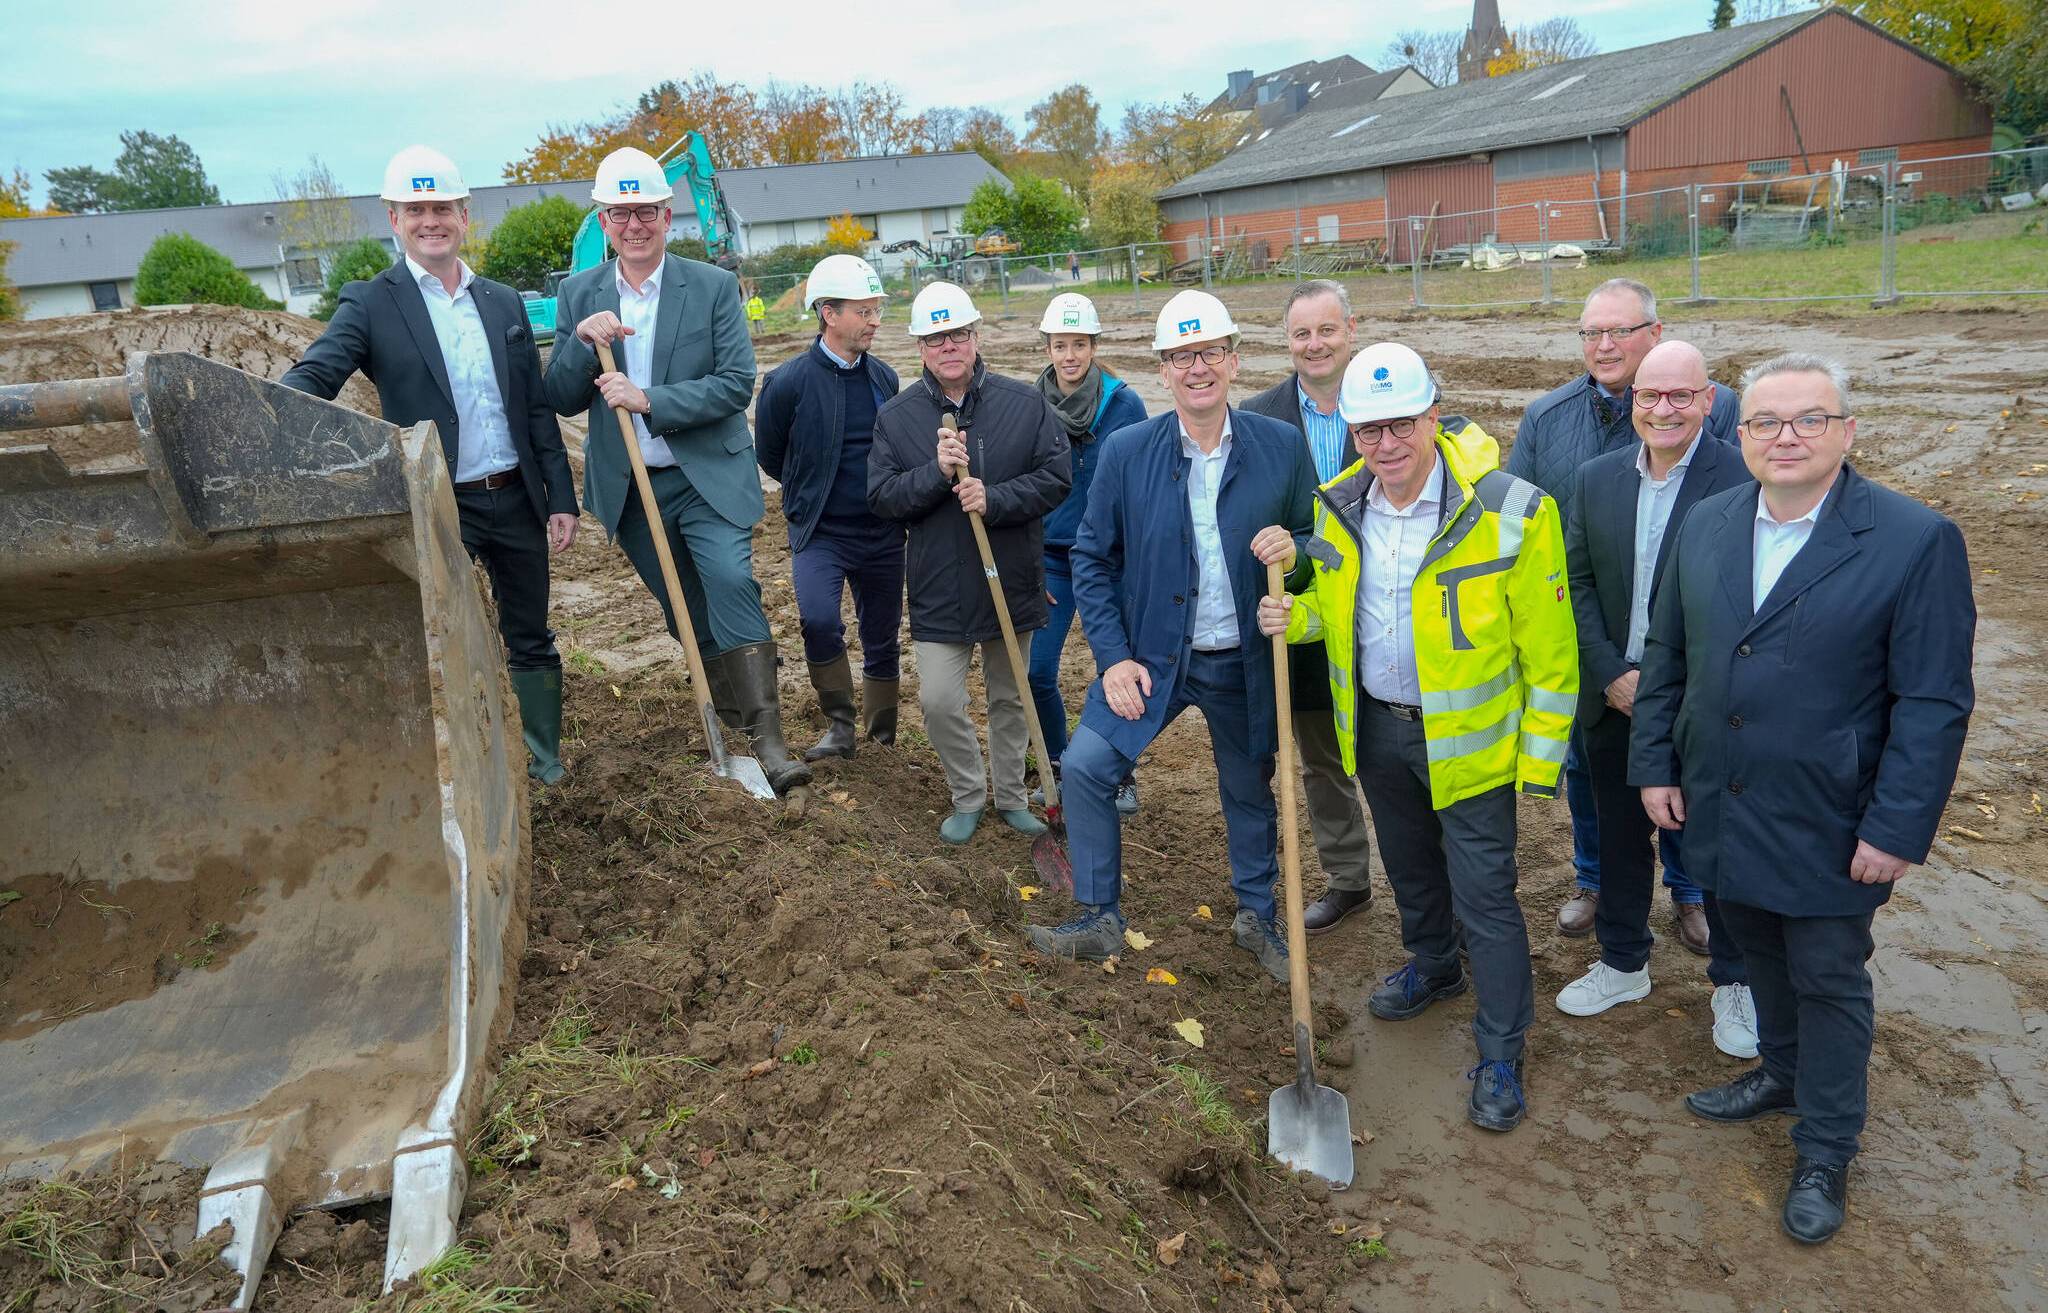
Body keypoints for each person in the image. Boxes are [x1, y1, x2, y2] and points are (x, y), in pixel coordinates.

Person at [1632, 353, 1974, 1244]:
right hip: (1719, 799)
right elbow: (1667, 653)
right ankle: (1779, 1072)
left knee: (1826, 975)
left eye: (1809, 418)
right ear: (1738, 433)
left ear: (1846, 431)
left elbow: (1934, 702)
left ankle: (1825, 1145)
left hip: (1833, 818)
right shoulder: (1708, 521)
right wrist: (1656, 764)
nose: (1786, 436)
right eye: (1766, 421)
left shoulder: (1913, 539)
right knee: (1754, 949)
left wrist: (1896, 827)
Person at [1262, 342, 1577, 1132]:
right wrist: (1294, 616)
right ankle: (1436, 965)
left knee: (1487, 897)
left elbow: (1552, 653)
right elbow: (1337, 610)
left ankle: (1501, 1049)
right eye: (1370, 429)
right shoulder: (1339, 505)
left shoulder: (1513, 510)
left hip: (1471, 744)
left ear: (1434, 415)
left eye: (1402, 423)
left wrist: (1539, 763)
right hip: (1376, 728)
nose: (1387, 444)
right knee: (1408, 867)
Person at [1025, 290, 1314, 986]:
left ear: (1234, 360)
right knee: (1087, 767)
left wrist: (1297, 555)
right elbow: (1092, 557)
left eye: (1209, 352)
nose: (1197, 368)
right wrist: (1115, 659)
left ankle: (1257, 916)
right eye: (1182, 357)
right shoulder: (1128, 452)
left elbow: (1317, 539)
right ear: (1163, 369)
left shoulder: (1281, 446)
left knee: (1249, 789)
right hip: (1153, 657)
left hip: (1244, 658)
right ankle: (1098, 915)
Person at [280, 145, 579, 785]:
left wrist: (559, 496)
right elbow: (318, 373)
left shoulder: (502, 302)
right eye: (415, 211)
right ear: (394, 219)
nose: (430, 221)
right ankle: (468, 762)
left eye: (442, 208)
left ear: (464, 215)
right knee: (449, 634)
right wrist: (271, 410)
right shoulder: (370, 303)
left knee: (530, 632)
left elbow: (534, 408)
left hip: (516, 498)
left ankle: (544, 763)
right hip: (441, 501)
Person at [544, 146, 810, 794]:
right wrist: (582, 343)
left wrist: (649, 400)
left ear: (668, 216)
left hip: (705, 477)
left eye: (646, 212)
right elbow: (559, 396)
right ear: (604, 222)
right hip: (633, 488)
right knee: (682, 608)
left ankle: (769, 741)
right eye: (620, 214)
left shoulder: (712, 286)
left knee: (730, 581)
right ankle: (731, 725)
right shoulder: (578, 293)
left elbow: (735, 382)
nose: (634, 225)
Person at [1510, 278, 1737, 952]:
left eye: (1619, 330)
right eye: (1591, 332)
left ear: (1655, 334)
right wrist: (1600, 664)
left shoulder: (1719, 415)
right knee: (1592, 777)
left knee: (1688, 780)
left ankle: (1690, 891)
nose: (1604, 345)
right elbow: (1527, 531)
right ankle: (1595, 881)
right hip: (1593, 645)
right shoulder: (1547, 418)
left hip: (1688, 657)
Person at [1557, 341, 1757, 1058]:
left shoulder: (1744, 478)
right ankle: (1622, 962)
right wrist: (1609, 673)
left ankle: (1735, 979)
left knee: (1715, 841)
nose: (1663, 409)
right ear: (1632, 400)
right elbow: (1577, 583)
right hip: (1616, 695)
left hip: (1704, 701)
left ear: (1709, 401)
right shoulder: (1595, 478)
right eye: (1649, 395)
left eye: (1680, 396)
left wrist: (1677, 688)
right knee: (1616, 833)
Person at [868, 282, 1072, 843]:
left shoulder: (1023, 404)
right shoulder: (897, 417)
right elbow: (882, 497)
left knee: (1011, 696)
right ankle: (968, 794)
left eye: (958, 334)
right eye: (936, 338)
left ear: (976, 337)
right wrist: (935, 473)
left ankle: (1011, 797)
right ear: (920, 347)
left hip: (1010, 577)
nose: (949, 346)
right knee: (938, 701)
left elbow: (1057, 477)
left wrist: (995, 498)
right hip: (939, 584)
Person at [1241, 279, 1378, 933]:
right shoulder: (1259, 418)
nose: (1314, 344)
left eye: (1326, 329)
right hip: (1301, 616)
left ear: (1351, 329)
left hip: (1383, 610)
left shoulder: (1386, 401)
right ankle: (1349, 879)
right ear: (1286, 340)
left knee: (1402, 753)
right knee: (1323, 756)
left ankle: (1440, 887)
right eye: (1301, 333)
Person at [755, 254, 903, 760]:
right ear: (828, 313)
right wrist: (811, 492)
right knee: (818, 620)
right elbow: (771, 455)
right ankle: (840, 726)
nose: (874, 321)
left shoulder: (884, 378)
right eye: (864, 311)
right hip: (821, 532)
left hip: (883, 533)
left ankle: (881, 735)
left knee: (882, 634)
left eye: (876, 309)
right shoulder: (787, 382)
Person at [1025, 292, 1147, 814]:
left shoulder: (1125, 405)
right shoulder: (1028, 406)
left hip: (1110, 559)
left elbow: (1142, 485)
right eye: (1060, 345)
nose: (1070, 355)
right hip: (1052, 559)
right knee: (1036, 670)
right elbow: (1019, 488)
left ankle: (1119, 775)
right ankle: (1057, 764)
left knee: (1116, 670)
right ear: (1048, 349)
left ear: (1094, 346)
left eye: (1079, 344)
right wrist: (1027, 564)